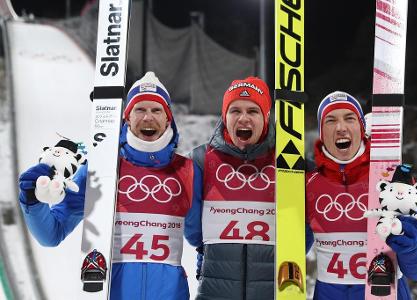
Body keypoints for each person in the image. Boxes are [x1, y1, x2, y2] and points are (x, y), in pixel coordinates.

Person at [18, 72, 203, 300]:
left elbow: (203, 240)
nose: (148, 117)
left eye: (156, 110)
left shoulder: (187, 171)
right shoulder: (102, 167)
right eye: (140, 109)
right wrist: (33, 201)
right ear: (126, 118)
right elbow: (51, 234)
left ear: (168, 119)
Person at [306, 91, 417, 299]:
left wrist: (408, 241)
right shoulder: (308, 184)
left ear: (361, 128)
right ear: (321, 131)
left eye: (349, 118)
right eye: (330, 120)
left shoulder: (395, 183)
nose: (341, 127)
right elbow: (291, 249)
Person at [190, 76, 279, 300]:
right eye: (235, 110)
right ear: (224, 115)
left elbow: (302, 226)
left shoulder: (286, 161)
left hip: (273, 287)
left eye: (253, 111)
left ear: (266, 116)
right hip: (215, 286)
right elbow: (192, 226)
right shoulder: (201, 159)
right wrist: (210, 249)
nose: (243, 118)